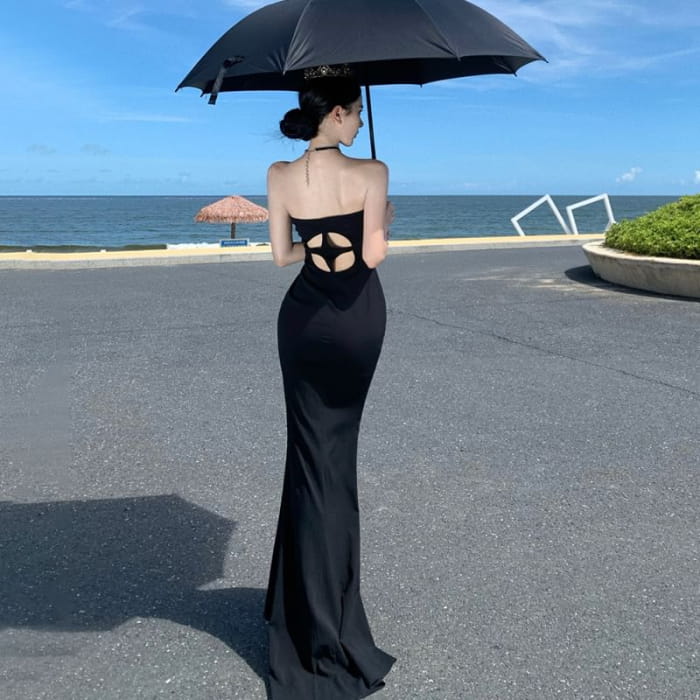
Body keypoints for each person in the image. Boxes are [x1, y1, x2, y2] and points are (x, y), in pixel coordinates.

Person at [263, 65, 396, 700]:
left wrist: (319, 240)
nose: (361, 122)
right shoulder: (372, 172)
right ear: (338, 113)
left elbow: (283, 256)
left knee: (309, 457)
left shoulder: (278, 175)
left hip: (301, 321)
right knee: (336, 462)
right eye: (357, 112)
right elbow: (371, 256)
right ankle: (330, 628)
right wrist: (384, 217)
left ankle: (301, 612)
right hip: (354, 321)